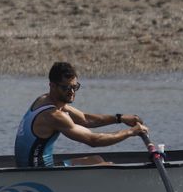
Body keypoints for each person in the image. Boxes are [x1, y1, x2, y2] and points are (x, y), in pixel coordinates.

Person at [13, 62, 149, 167]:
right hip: (39, 174)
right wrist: (130, 132)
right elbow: (93, 140)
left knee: (96, 160)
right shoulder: (53, 115)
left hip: (39, 168)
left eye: (74, 87)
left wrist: (120, 118)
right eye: (66, 87)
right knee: (104, 167)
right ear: (52, 86)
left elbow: (85, 119)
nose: (71, 92)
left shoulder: (45, 100)